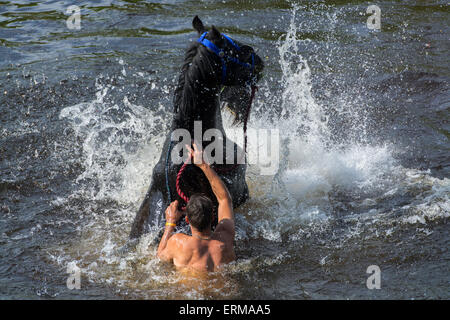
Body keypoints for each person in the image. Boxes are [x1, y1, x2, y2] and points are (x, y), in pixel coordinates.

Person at [157, 143, 236, 272]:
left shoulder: (178, 243)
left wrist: (170, 222)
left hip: (187, 291)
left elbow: (159, 257)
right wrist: (203, 165)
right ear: (212, 217)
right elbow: (224, 199)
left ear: (187, 220)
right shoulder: (225, 242)